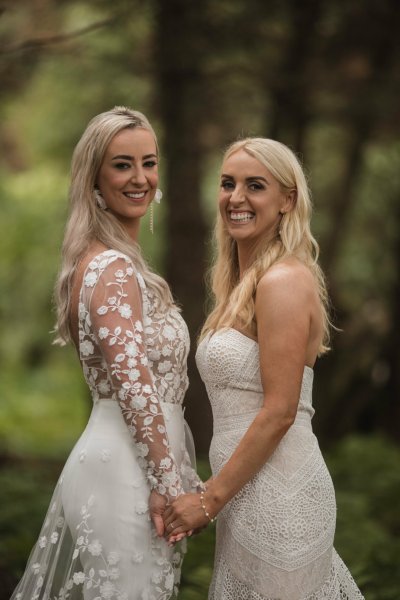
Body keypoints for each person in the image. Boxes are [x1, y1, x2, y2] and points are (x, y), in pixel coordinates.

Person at [11, 106, 201, 600]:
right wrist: (166, 482)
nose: (140, 178)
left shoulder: (106, 263)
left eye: (149, 162)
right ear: (94, 176)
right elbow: (135, 388)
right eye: (122, 164)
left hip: (136, 464)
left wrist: (178, 474)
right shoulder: (112, 268)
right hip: (126, 474)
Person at [164, 138, 365, 599]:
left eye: (255, 186)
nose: (236, 198)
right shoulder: (240, 284)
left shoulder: (284, 280)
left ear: (287, 200)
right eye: (228, 184)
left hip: (282, 493)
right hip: (244, 492)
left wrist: (208, 500)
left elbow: (279, 411)